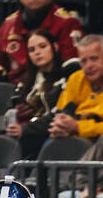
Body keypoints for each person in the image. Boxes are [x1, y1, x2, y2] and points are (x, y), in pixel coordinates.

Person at [0, 0, 84, 85]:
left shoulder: (67, 23)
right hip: (15, 88)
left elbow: (72, 64)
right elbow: (0, 63)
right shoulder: (8, 24)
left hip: (54, 86)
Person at [5, 30, 79, 159]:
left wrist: (26, 128)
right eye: (32, 50)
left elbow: (60, 113)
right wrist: (16, 112)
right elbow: (9, 108)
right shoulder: (26, 81)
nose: (37, 52)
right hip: (28, 135)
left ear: (55, 47)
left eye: (42, 46)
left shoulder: (67, 75)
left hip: (53, 134)